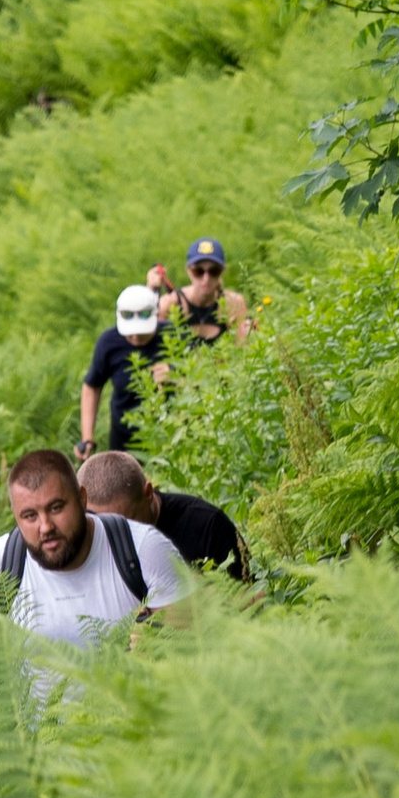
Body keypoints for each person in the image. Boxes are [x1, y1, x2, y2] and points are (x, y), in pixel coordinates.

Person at [0, 447, 187, 679]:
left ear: (82, 499)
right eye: (30, 515)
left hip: (135, 725)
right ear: (16, 517)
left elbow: (199, 639)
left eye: (56, 508)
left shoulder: (142, 549)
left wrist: (160, 645)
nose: (45, 527)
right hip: (31, 730)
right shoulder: (0, 563)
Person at [79, 447, 253, 583]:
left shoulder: (207, 525)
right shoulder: (79, 538)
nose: (116, 536)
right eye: (103, 525)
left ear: (148, 493)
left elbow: (249, 603)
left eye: (126, 524)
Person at [80, 281, 168, 452]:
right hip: (124, 438)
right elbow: (92, 386)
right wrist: (87, 438)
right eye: (130, 332)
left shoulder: (175, 336)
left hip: (169, 436)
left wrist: (176, 375)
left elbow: (201, 376)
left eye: (142, 332)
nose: (135, 337)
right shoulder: (109, 342)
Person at [163, 236, 251, 353]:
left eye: (214, 271)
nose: (206, 278)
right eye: (198, 271)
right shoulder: (171, 303)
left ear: (222, 272)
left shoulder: (233, 303)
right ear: (188, 271)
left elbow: (243, 350)